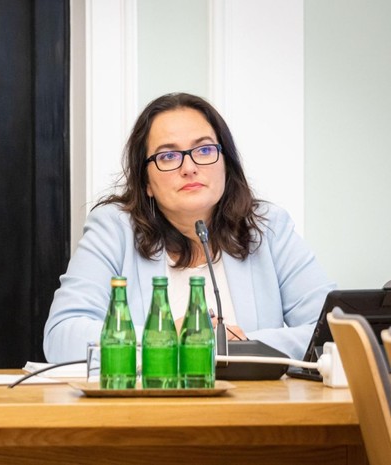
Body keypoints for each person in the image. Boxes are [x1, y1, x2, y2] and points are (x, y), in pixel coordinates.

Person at [44, 92, 334, 363]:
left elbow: (334, 331)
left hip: (252, 400)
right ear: (146, 182)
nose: (189, 167)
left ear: (226, 163)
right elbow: (62, 336)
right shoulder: (114, 229)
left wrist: (242, 346)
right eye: (168, 156)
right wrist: (164, 337)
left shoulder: (267, 227)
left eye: (204, 150)